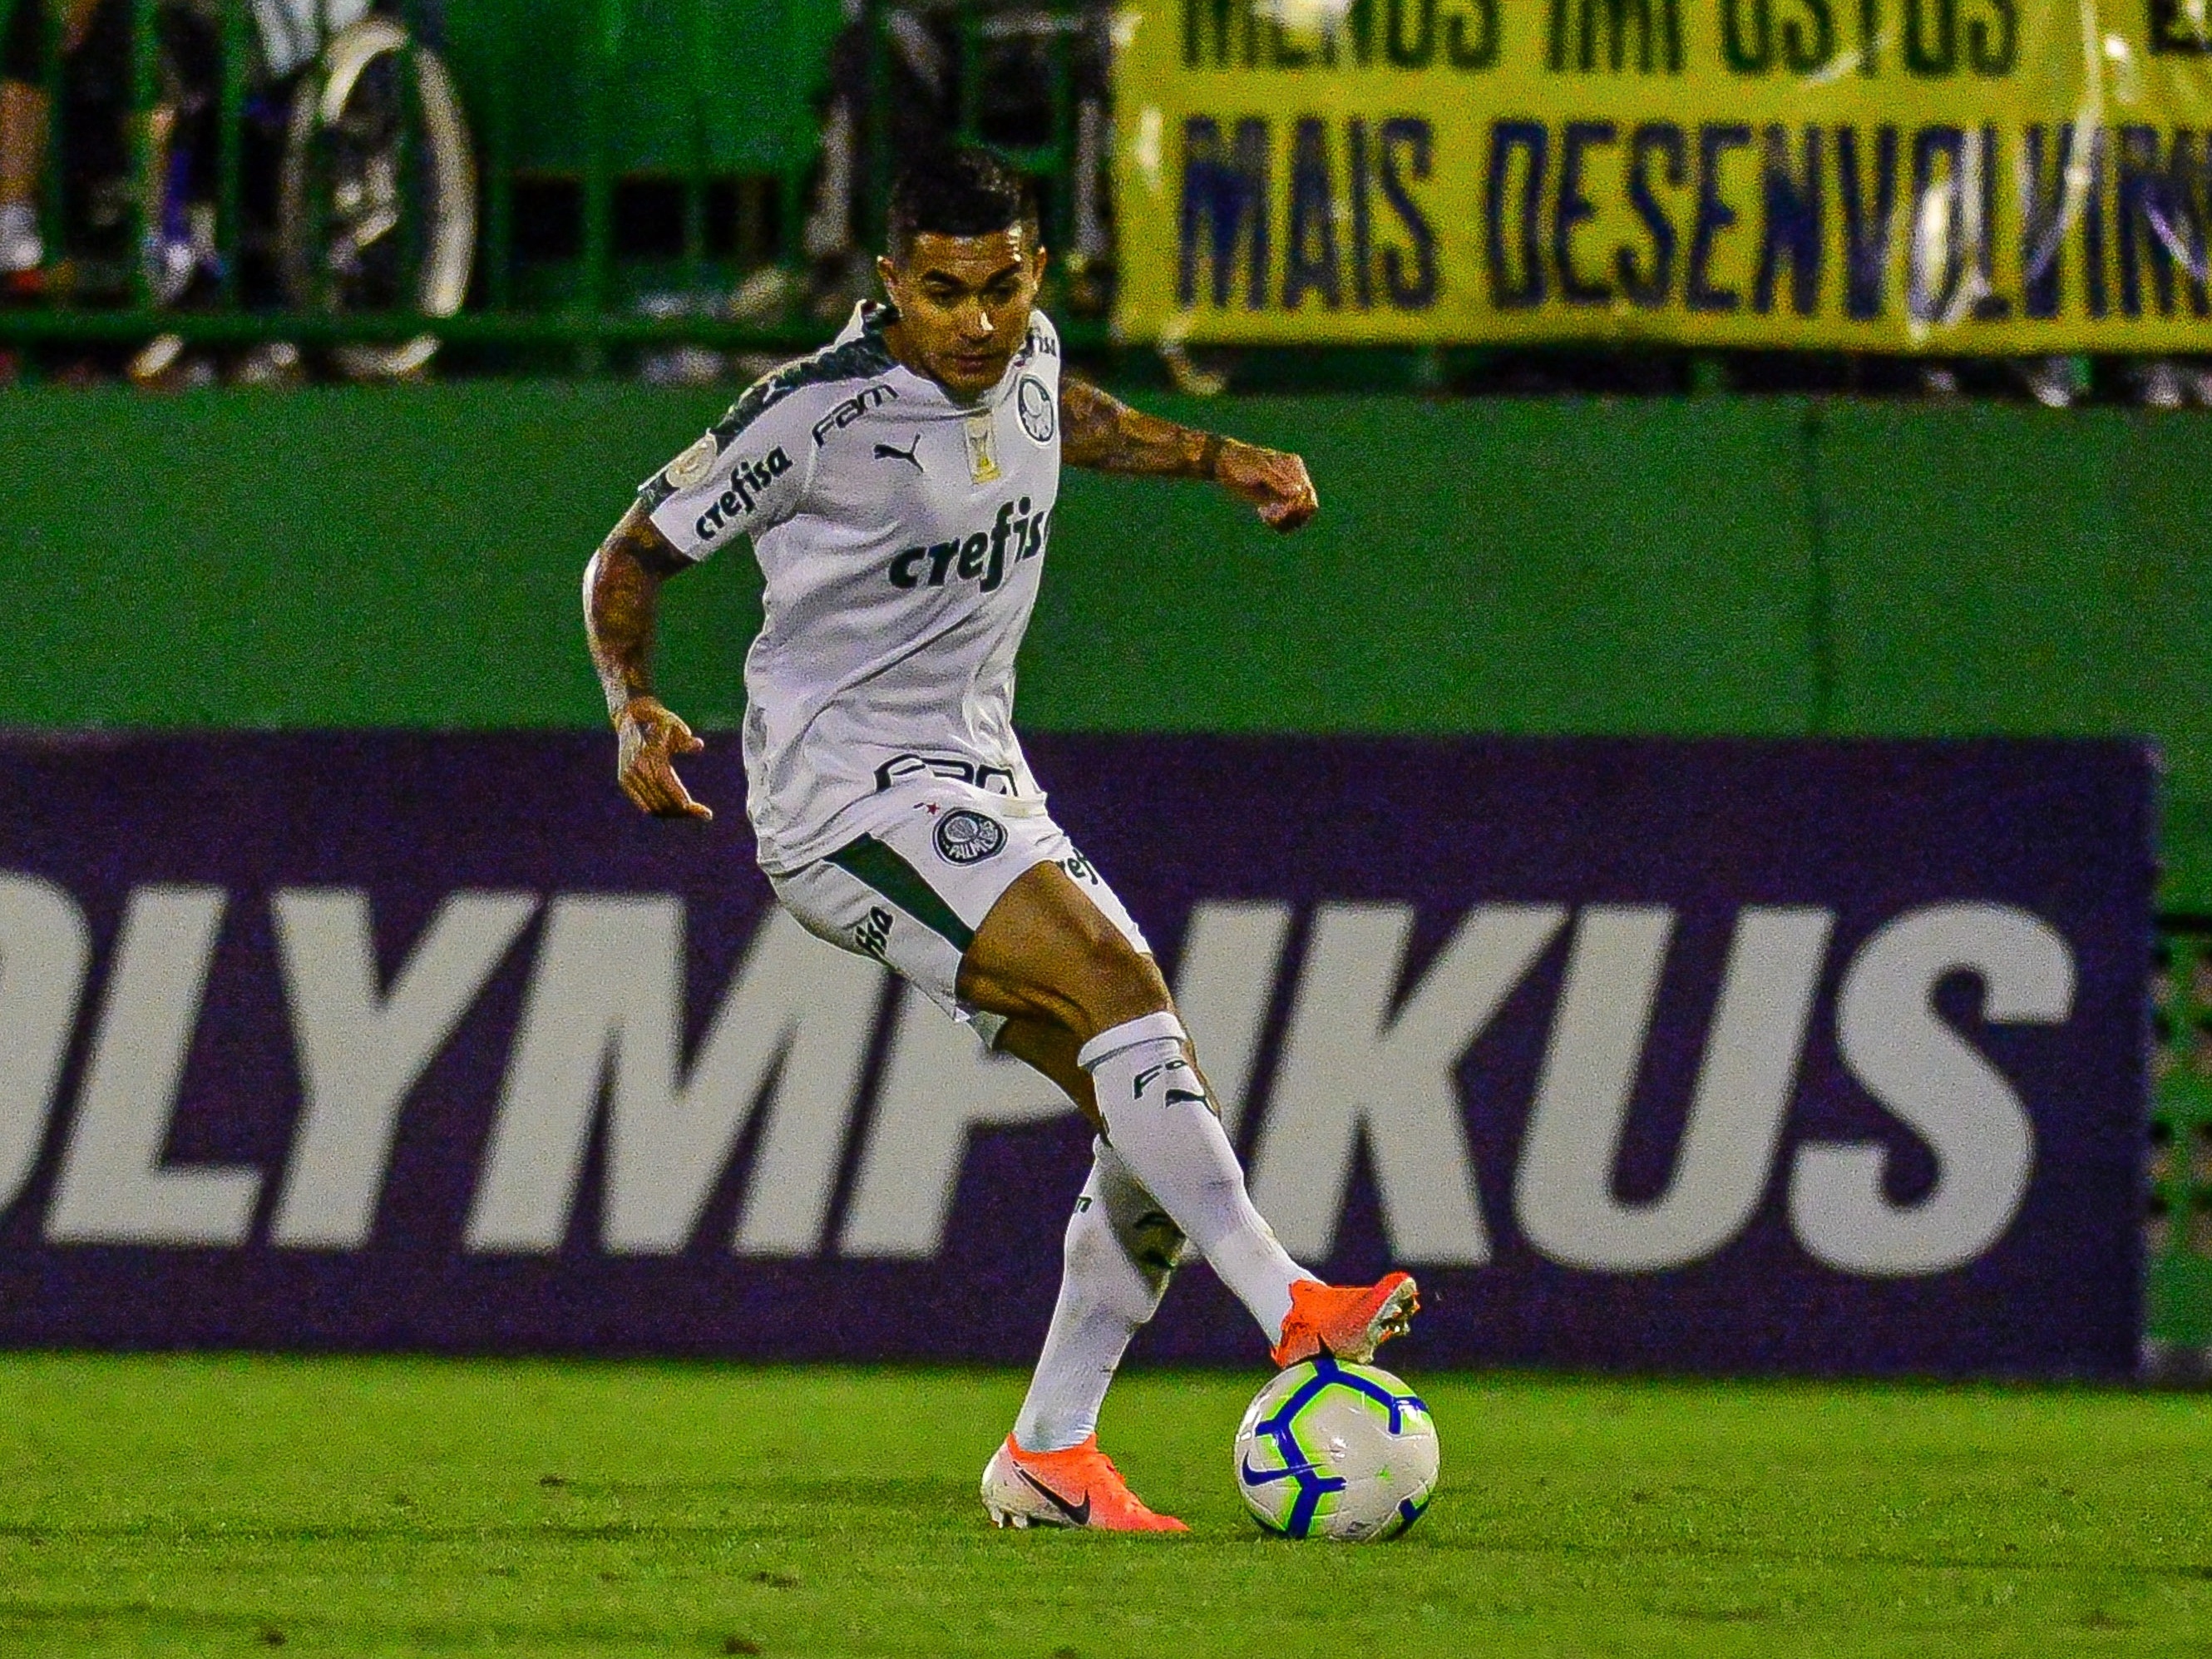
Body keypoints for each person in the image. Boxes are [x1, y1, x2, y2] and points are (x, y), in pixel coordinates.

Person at [583, 146, 1419, 1533]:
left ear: (1039, 272)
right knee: (1121, 993)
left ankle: (1048, 1454)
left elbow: (1062, 418)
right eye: (944, 292)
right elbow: (629, 557)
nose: (977, 321)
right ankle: (1293, 1307)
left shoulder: (1021, 361)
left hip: (983, 777)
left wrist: (1215, 457)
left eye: (1006, 286)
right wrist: (632, 708)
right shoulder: (809, 415)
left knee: (1149, 1105)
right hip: (841, 797)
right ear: (890, 284)